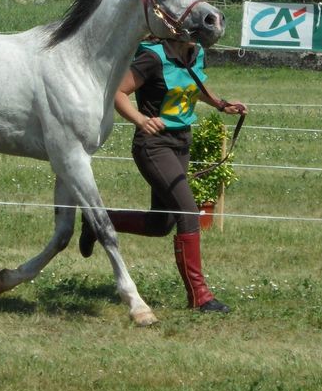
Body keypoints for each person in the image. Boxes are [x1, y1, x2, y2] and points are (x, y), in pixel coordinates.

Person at [79, 38, 246, 313]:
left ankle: (96, 221)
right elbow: (118, 92)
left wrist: (220, 104)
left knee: (160, 223)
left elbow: (194, 86)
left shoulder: (196, 53)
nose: (201, 34)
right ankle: (199, 296)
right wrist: (141, 120)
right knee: (189, 212)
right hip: (153, 145)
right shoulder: (153, 58)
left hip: (181, 142)